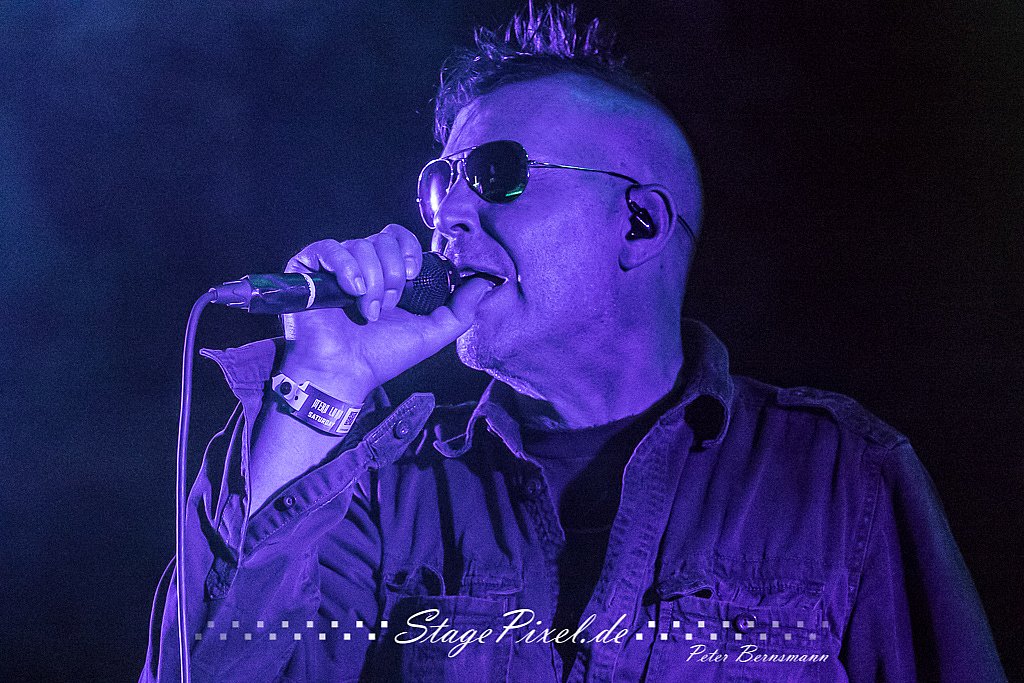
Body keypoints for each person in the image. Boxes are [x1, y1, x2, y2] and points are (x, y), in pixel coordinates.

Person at [140, 4, 1005, 681]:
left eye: (496, 174)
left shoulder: (839, 475)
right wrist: (321, 384)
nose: (448, 215)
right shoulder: (386, 485)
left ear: (639, 222)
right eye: (440, 184)